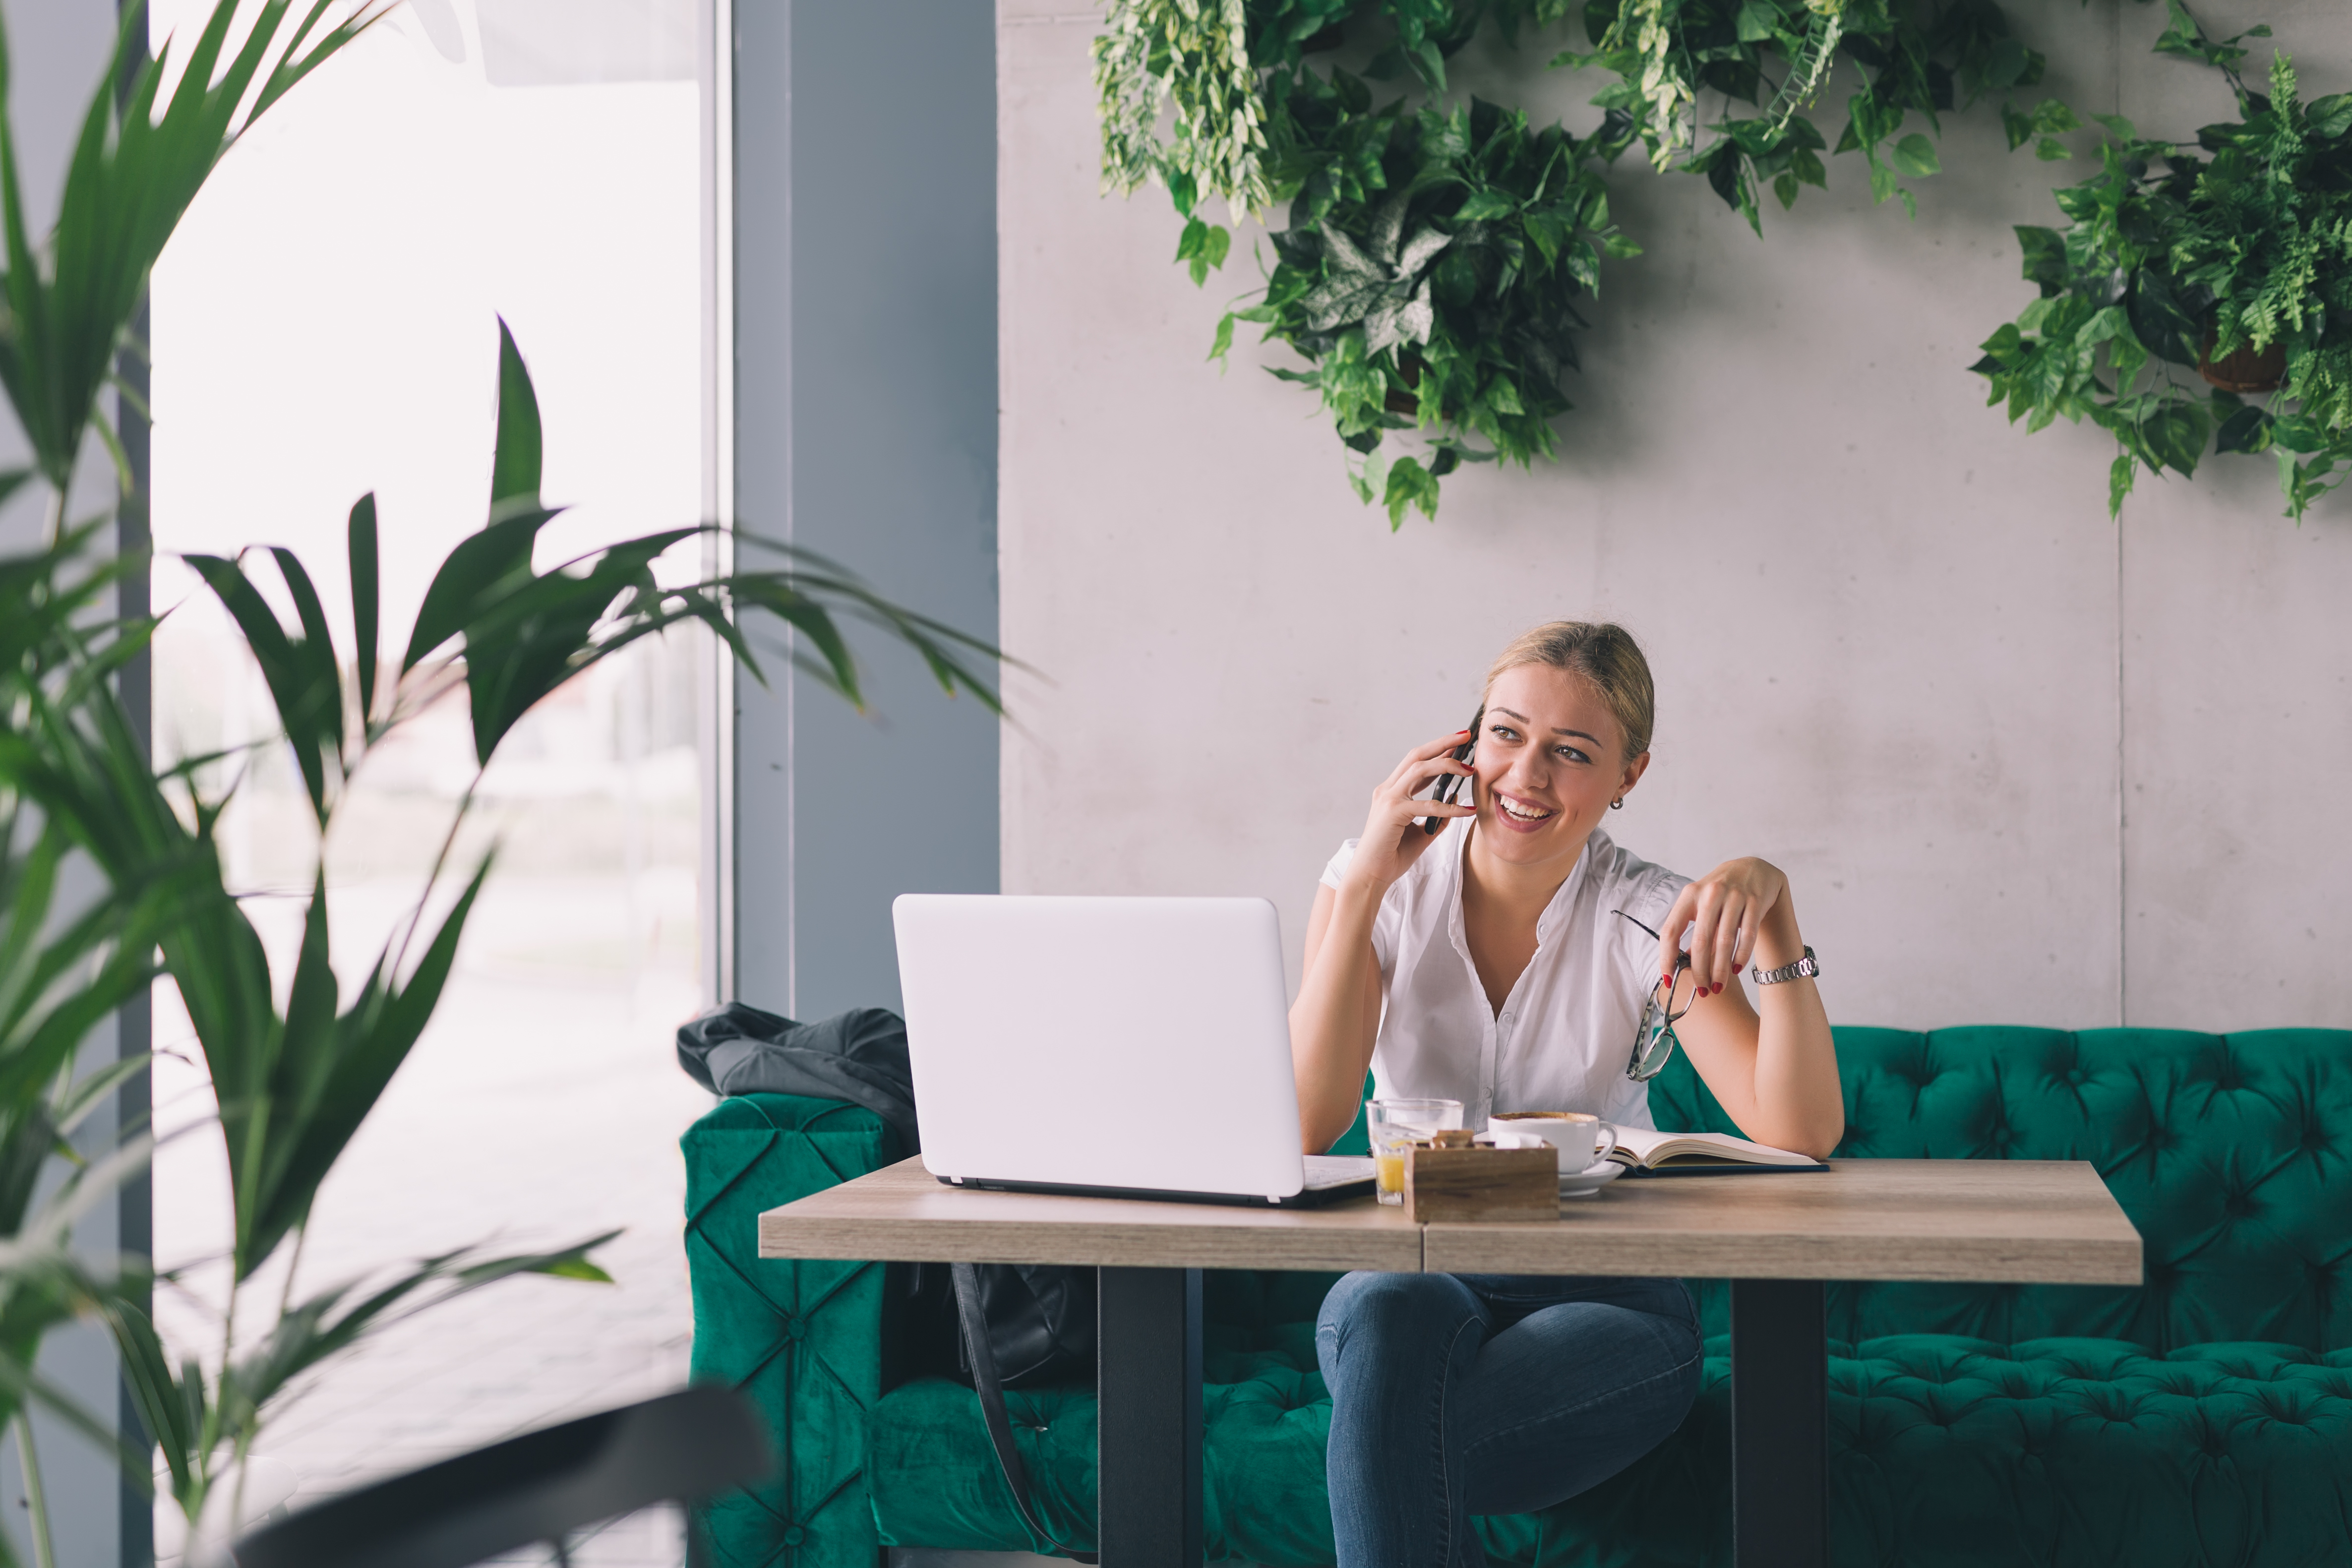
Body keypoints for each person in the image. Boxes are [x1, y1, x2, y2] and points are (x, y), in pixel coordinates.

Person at [1291, 620, 1841, 1568]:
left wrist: (1779, 923)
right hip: (1412, 1278)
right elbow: (1309, 1119)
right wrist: (1368, 886)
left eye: (1572, 752)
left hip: (1610, 1296)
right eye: (1506, 734)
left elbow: (1800, 1131)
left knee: (1396, 1440)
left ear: (1630, 774)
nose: (1526, 775)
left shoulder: (1651, 917)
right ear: (1466, 741)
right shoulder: (1371, 887)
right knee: (1386, 1310)